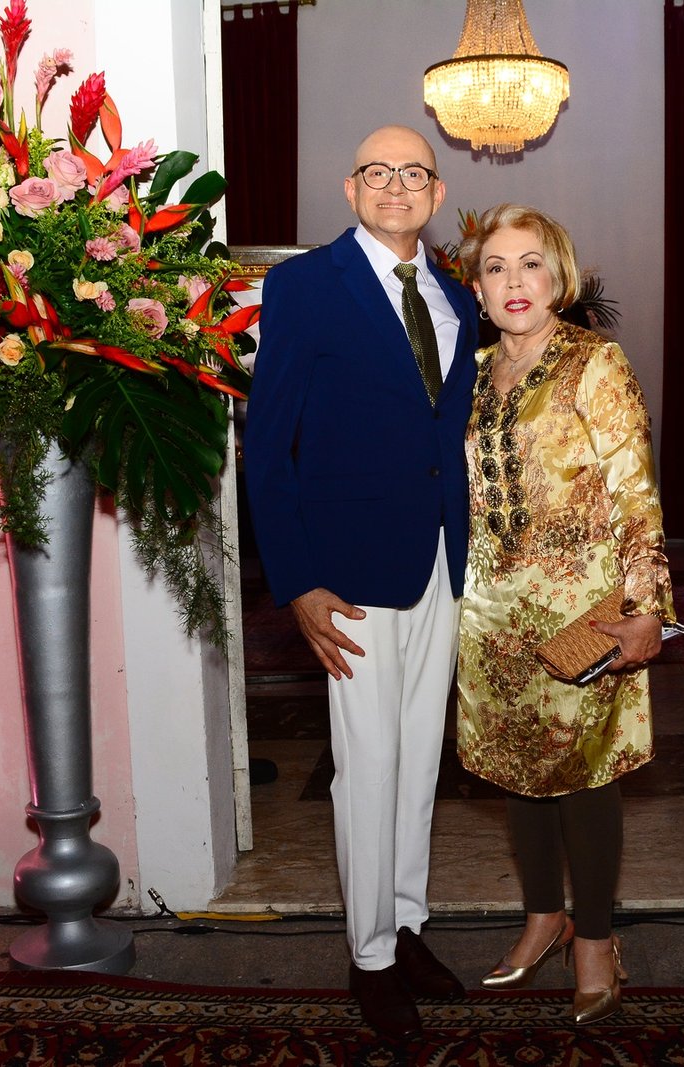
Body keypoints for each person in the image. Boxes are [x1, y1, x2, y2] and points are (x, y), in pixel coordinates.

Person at [242, 125, 478, 1042]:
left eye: (413, 172)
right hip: (348, 576)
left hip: (440, 562)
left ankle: (406, 925)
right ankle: (370, 956)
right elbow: (269, 446)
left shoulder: (456, 296)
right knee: (368, 762)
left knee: (419, 758)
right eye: (377, 171)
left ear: (436, 192)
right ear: (351, 190)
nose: (395, 185)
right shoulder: (305, 286)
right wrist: (297, 578)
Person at [453, 204, 675, 1026]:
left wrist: (644, 607)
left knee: (585, 775)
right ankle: (544, 916)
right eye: (497, 267)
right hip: (490, 611)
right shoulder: (471, 372)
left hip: (583, 612)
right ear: (478, 289)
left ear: (560, 276)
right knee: (519, 768)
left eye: (531, 263)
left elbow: (635, 494)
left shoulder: (594, 362)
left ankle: (597, 941)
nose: (515, 281)